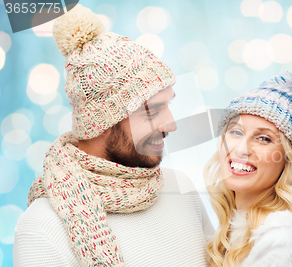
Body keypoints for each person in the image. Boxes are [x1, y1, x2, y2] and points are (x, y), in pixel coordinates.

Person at [13, 4, 214, 267]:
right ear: (101, 121)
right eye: (152, 111)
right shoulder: (44, 229)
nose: (171, 125)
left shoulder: (181, 189)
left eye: (169, 105)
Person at [204, 72, 292, 266]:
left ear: (288, 160)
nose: (241, 149)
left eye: (263, 138)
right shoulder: (223, 237)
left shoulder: (288, 243)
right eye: (236, 132)